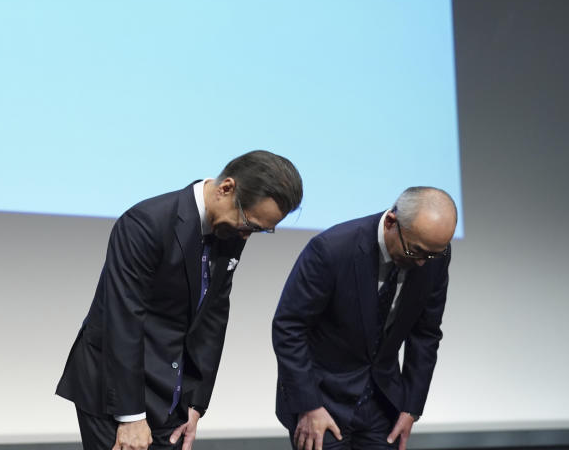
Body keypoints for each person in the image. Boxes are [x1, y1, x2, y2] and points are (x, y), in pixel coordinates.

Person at [57, 150, 303, 450]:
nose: (248, 236)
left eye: (262, 230)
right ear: (226, 188)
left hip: (170, 392)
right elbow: (123, 320)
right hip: (115, 391)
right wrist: (131, 416)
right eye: (250, 224)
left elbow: (213, 315)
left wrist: (195, 401)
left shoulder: (231, 231)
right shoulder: (146, 223)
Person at [272, 187, 456, 450]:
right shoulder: (332, 249)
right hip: (322, 400)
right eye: (416, 251)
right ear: (392, 222)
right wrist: (308, 404)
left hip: (383, 403)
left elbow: (426, 333)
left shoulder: (434, 255)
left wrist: (411, 407)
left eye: (432, 255)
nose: (422, 264)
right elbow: (289, 327)